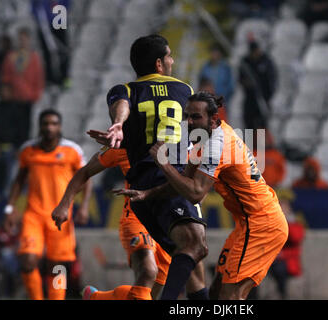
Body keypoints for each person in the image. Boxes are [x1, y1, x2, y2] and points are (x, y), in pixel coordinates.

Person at [117, 92, 289, 300]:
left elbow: (196, 193)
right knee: (216, 292)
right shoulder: (204, 140)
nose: (189, 122)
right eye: (187, 116)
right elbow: (183, 183)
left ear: (213, 119)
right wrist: (148, 193)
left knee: (230, 298)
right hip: (246, 224)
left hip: (262, 224)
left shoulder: (219, 145)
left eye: (196, 117)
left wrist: (163, 163)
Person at [87, 34, 208, 300]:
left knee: (187, 263)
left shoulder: (125, 90)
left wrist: (118, 124)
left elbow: (122, 107)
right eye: (169, 56)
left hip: (143, 189)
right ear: (159, 63)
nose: (172, 60)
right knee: (194, 248)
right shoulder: (185, 90)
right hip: (169, 181)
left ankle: (101, 298)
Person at [52, 146, 208, 300]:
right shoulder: (126, 144)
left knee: (149, 293)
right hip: (136, 217)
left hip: (168, 221)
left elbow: (198, 183)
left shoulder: (182, 143)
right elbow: (85, 171)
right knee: (148, 271)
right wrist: (64, 204)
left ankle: (98, 297)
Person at [3, 109, 92, 300]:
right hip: (33, 215)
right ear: (40, 126)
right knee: (27, 261)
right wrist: (10, 209)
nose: (49, 127)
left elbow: (86, 178)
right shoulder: (28, 150)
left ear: (59, 126)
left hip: (61, 216)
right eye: (46, 123)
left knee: (58, 266)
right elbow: (18, 181)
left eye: (53, 123)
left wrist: (84, 206)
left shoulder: (72, 151)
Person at [0, 27, 45, 147]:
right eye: (20, 39)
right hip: (13, 97)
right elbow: (5, 76)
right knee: (12, 124)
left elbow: (38, 77)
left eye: (25, 39)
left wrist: (35, 94)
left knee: (25, 126)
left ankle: (23, 147)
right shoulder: (11, 57)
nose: (22, 42)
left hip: (27, 97)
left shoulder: (34, 57)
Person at [268, 192, 305, 300]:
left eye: (284, 207)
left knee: (280, 268)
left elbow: (295, 237)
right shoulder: (271, 223)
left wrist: (285, 222)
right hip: (272, 261)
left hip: (289, 262)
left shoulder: (295, 223)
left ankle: (282, 293)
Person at [31, 0, 71, 87]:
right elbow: (34, 5)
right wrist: (38, 16)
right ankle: (49, 78)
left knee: (62, 49)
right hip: (44, 22)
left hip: (59, 20)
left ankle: (64, 77)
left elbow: (66, 3)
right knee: (46, 51)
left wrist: (61, 14)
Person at [239, 41, 277, 130]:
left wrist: (268, 95)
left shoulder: (266, 61)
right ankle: (249, 143)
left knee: (262, 126)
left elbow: (272, 79)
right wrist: (247, 83)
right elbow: (241, 79)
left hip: (263, 97)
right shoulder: (246, 62)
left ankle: (260, 144)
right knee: (249, 125)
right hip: (250, 98)